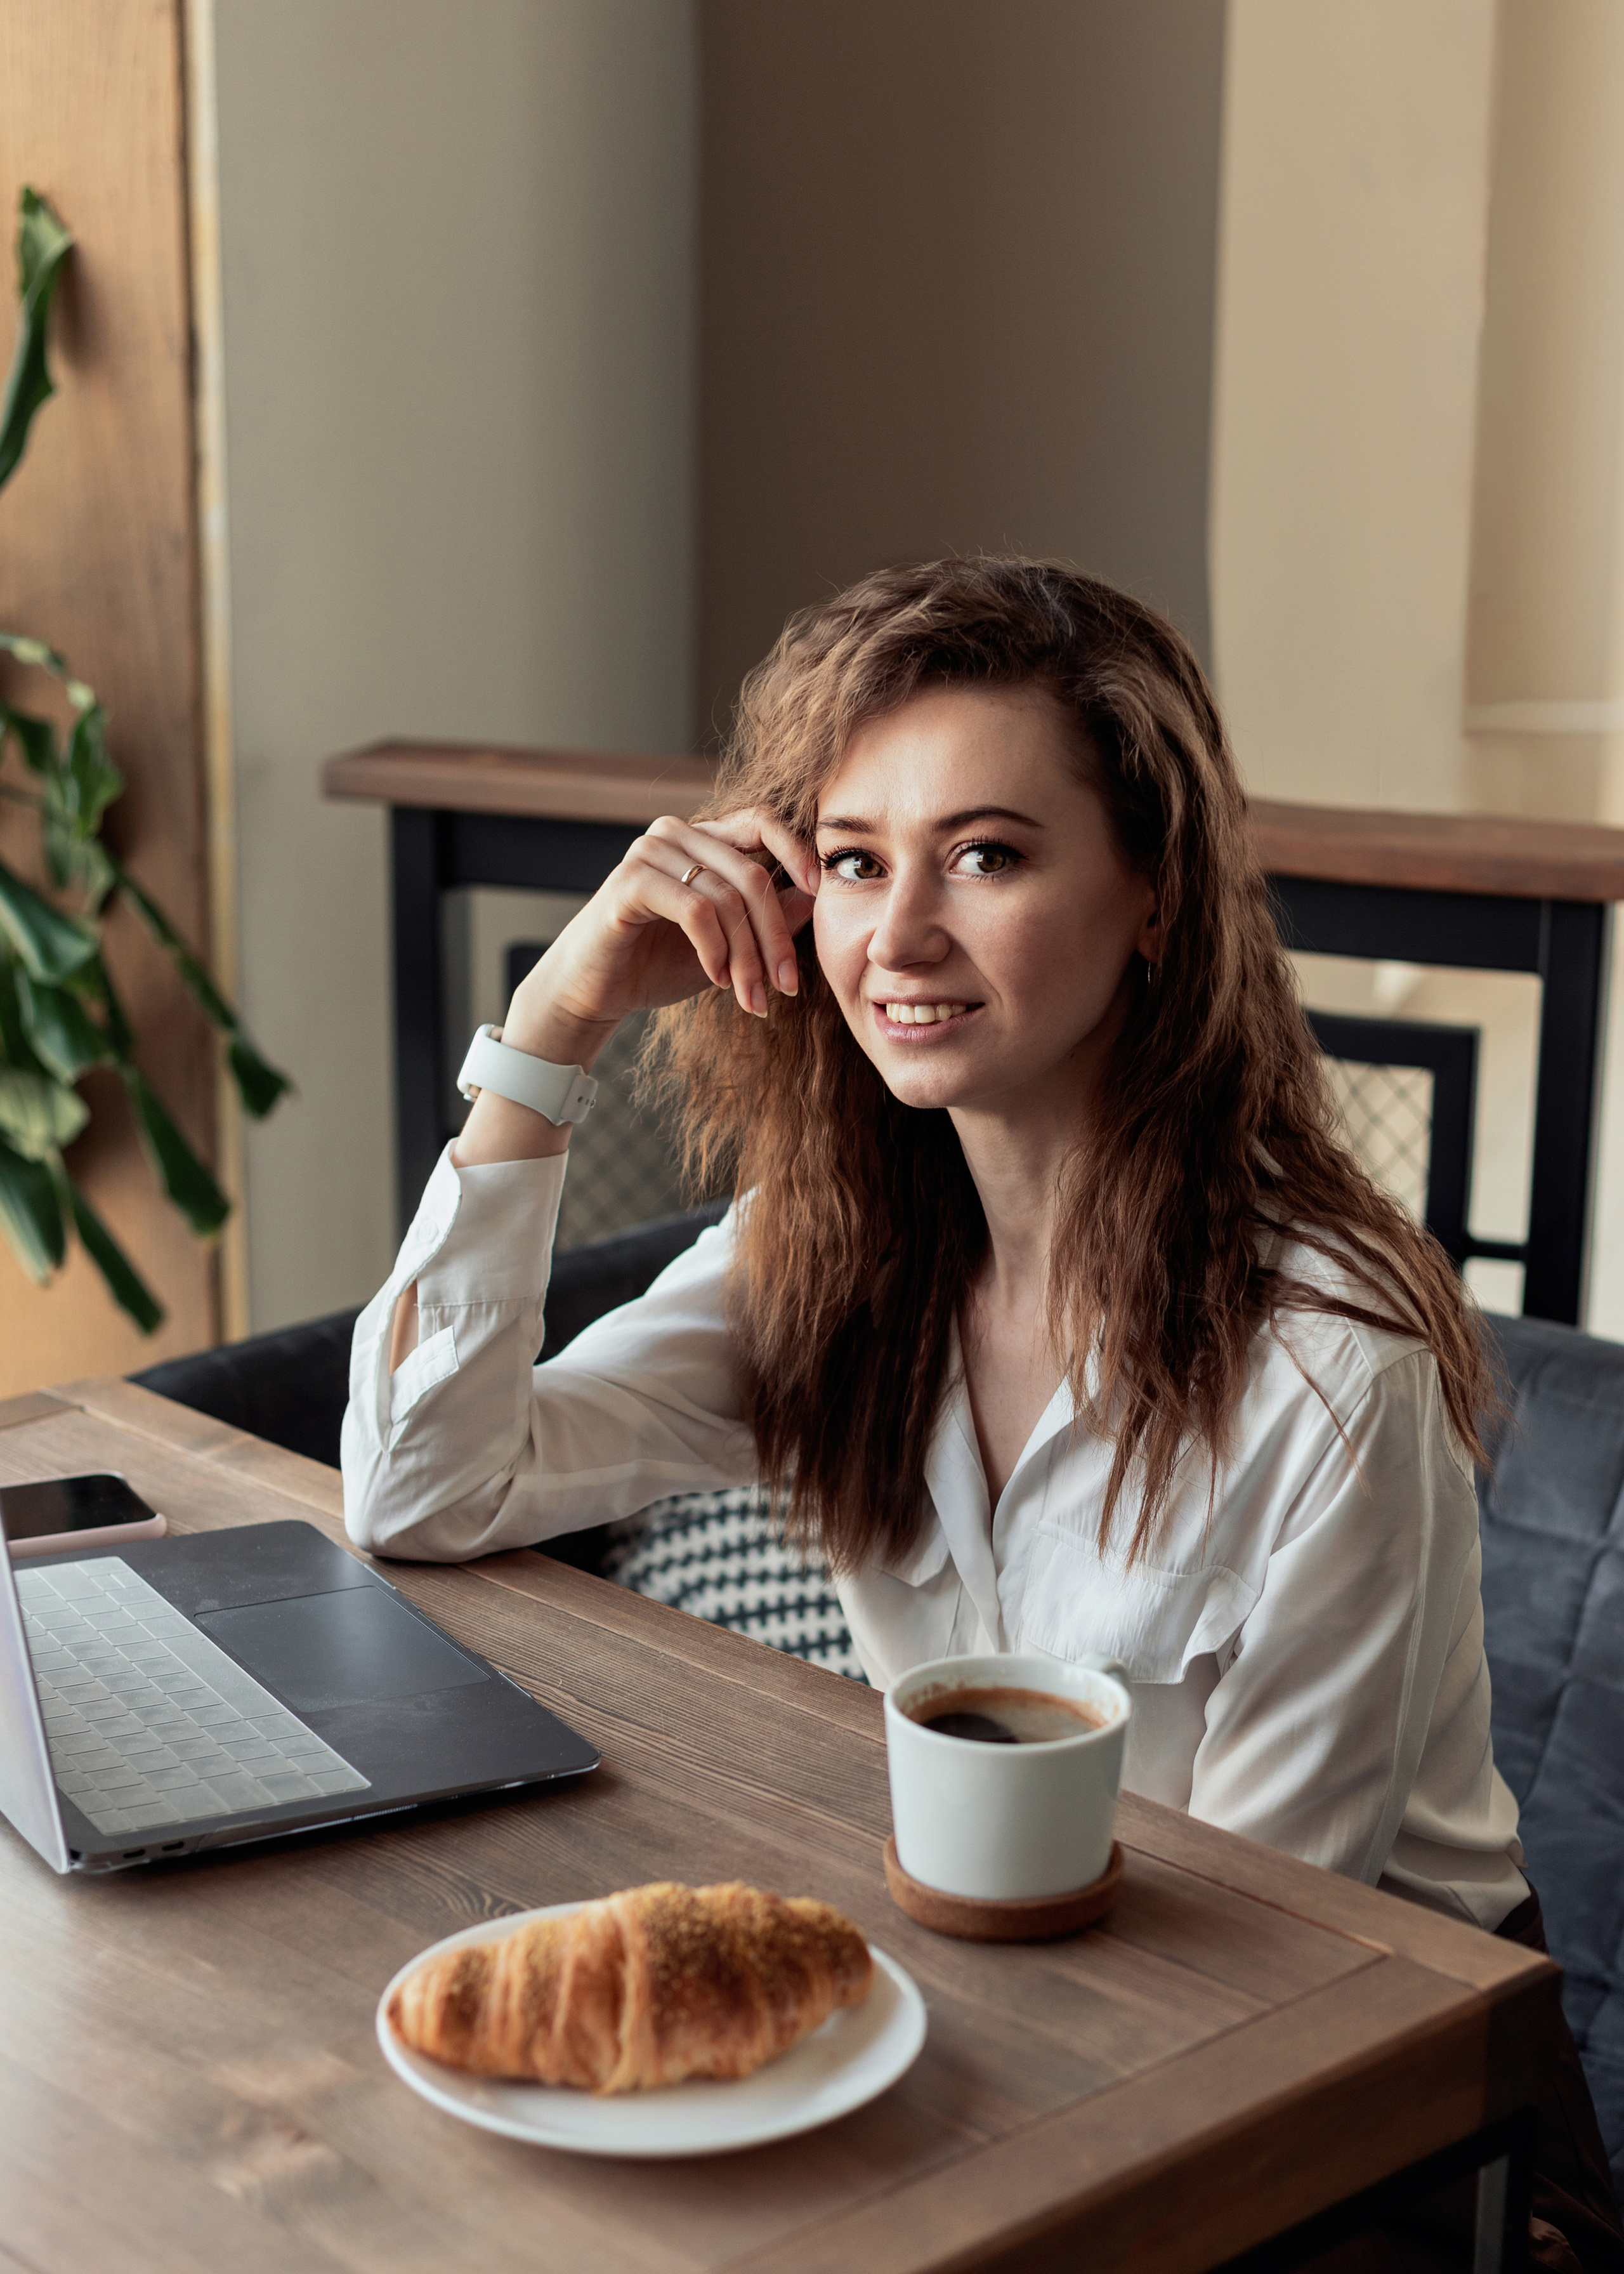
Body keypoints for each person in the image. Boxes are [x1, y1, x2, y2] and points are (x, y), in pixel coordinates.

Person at [343, 558, 1620, 2269]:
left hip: (1387, 2136)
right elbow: (426, 1486)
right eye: (856, 862)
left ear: (1154, 893)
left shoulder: (1333, 1368)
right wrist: (557, 1019)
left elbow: (1228, 1970)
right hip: (1017, 2010)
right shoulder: (825, 1255)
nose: (900, 936)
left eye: (988, 856)